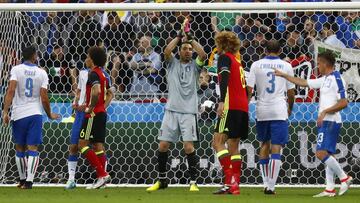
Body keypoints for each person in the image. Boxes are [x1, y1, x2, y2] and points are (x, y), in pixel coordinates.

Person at [274, 50, 352, 197]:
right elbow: (303, 82)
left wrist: (324, 112)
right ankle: (330, 189)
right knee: (328, 153)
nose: (317, 66)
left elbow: (344, 102)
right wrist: (284, 75)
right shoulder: (324, 79)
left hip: (331, 120)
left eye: (318, 63)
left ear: (324, 63)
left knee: (320, 153)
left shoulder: (337, 78)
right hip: (326, 121)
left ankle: (344, 177)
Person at [146, 25, 206, 192]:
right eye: (184, 49)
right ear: (179, 51)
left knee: (188, 147)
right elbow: (166, 51)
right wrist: (179, 37)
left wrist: (191, 39)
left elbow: (203, 54)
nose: (188, 51)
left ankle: (193, 182)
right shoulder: (171, 63)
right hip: (171, 110)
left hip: (188, 112)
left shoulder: (196, 65)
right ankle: (162, 180)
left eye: (189, 49)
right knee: (163, 145)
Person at [2, 45, 60, 189]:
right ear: (34, 56)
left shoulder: (16, 70)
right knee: (32, 148)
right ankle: (29, 181)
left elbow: (11, 91)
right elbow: (44, 98)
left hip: (18, 114)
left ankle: (22, 180)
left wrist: (4, 112)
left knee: (19, 148)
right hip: (34, 114)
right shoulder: (42, 73)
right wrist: (49, 114)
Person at [246, 40, 295, 195]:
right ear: (280, 50)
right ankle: (272, 187)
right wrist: (290, 108)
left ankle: (266, 183)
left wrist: (246, 106)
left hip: (262, 110)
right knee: (276, 147)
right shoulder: (286, 66)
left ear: (265, 50)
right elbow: (291, 92)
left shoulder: (256, 65)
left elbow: (249, 89)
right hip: (279, 110)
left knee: (264, 145)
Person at [65, 65, 114, 189]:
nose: (86, 59)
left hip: (92, 112)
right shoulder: (83, 72)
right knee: (74, 146)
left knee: (97, 145)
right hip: (81, 113)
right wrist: (76, 101)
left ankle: (102, 177)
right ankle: (71, 180)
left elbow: (110, 94)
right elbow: (80, 91)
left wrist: (101, 107)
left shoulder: (102, 74)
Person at [212, 31, 248, 195]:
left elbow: (224, 78)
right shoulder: (238, 62)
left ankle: (229, 182)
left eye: (218, 43)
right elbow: (246, 88)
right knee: (234, 145)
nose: (216, 46)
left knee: (217, 141)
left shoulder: (225, 58)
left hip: (230, 105)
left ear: (223, 44)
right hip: (243, 107)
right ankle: (235, 185)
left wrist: (221, 102)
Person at [77, 47, 113, 189]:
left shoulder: (93, 74)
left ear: (92, 59)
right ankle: (102, 180)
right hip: (101, 113)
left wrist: (91, 107)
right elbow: (111, 93)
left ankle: (102, 174)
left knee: (82, 145)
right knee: (98, 146)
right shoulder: (103, 74)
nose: (86, 59)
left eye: (87, 56)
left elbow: (97, 91)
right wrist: (102, 106)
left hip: (92, 114)